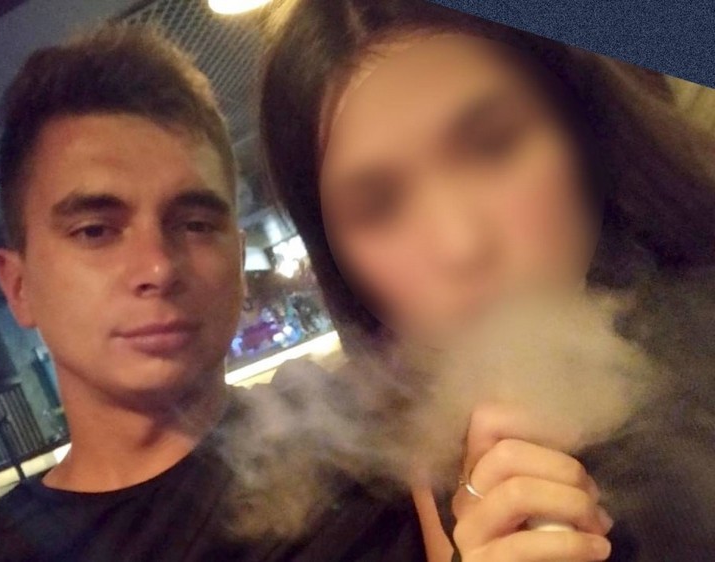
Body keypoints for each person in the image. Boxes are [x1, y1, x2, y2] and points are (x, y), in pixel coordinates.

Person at [0, 23, 429, 561]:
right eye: (95, 231)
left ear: (238, 259)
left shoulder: (373, 439)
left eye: (196, 224)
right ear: (19, 287)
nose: (158, 267)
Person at [259, 1, 715, 561]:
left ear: (582, 127)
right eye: (379, 206)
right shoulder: (432, 453)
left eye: (494, 144)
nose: (462, 245)